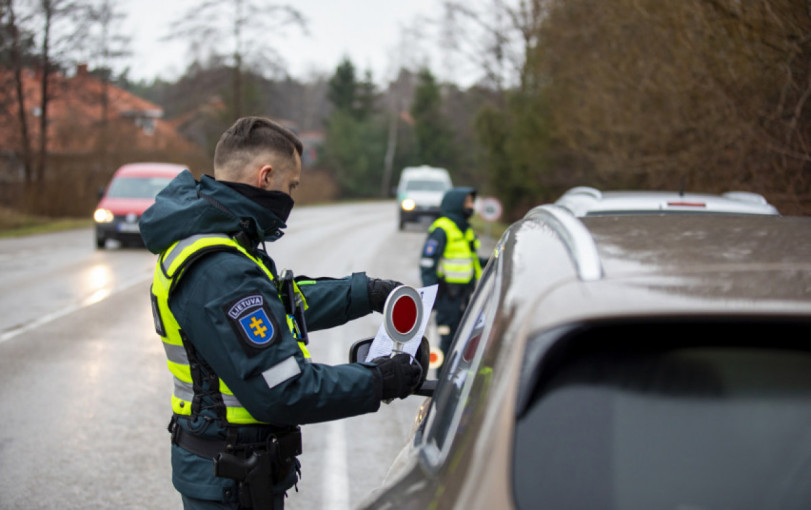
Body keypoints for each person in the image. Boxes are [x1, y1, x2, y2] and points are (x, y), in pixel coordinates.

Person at [139, 116, 424, 509]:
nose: (292, 198)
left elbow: (277, 303)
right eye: (291, 186)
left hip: (228, 469)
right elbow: (287, 391)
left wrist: (366, 293)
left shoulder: (219, 241)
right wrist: (379, 380)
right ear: (266, 176)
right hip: (230, 481)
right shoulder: (221, 269)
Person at [419, 187, 485, 364]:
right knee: (447, 344)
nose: (471, 206)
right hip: (447, 297)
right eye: (467, 202)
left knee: (463, 342)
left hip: (465, 296)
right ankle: (441, 386)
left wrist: (493, 259)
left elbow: (471, 259)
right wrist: (431, 297)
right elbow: (427, 264)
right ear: (455, 205)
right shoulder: (442, 229)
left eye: (472, 202)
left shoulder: (466, 229)